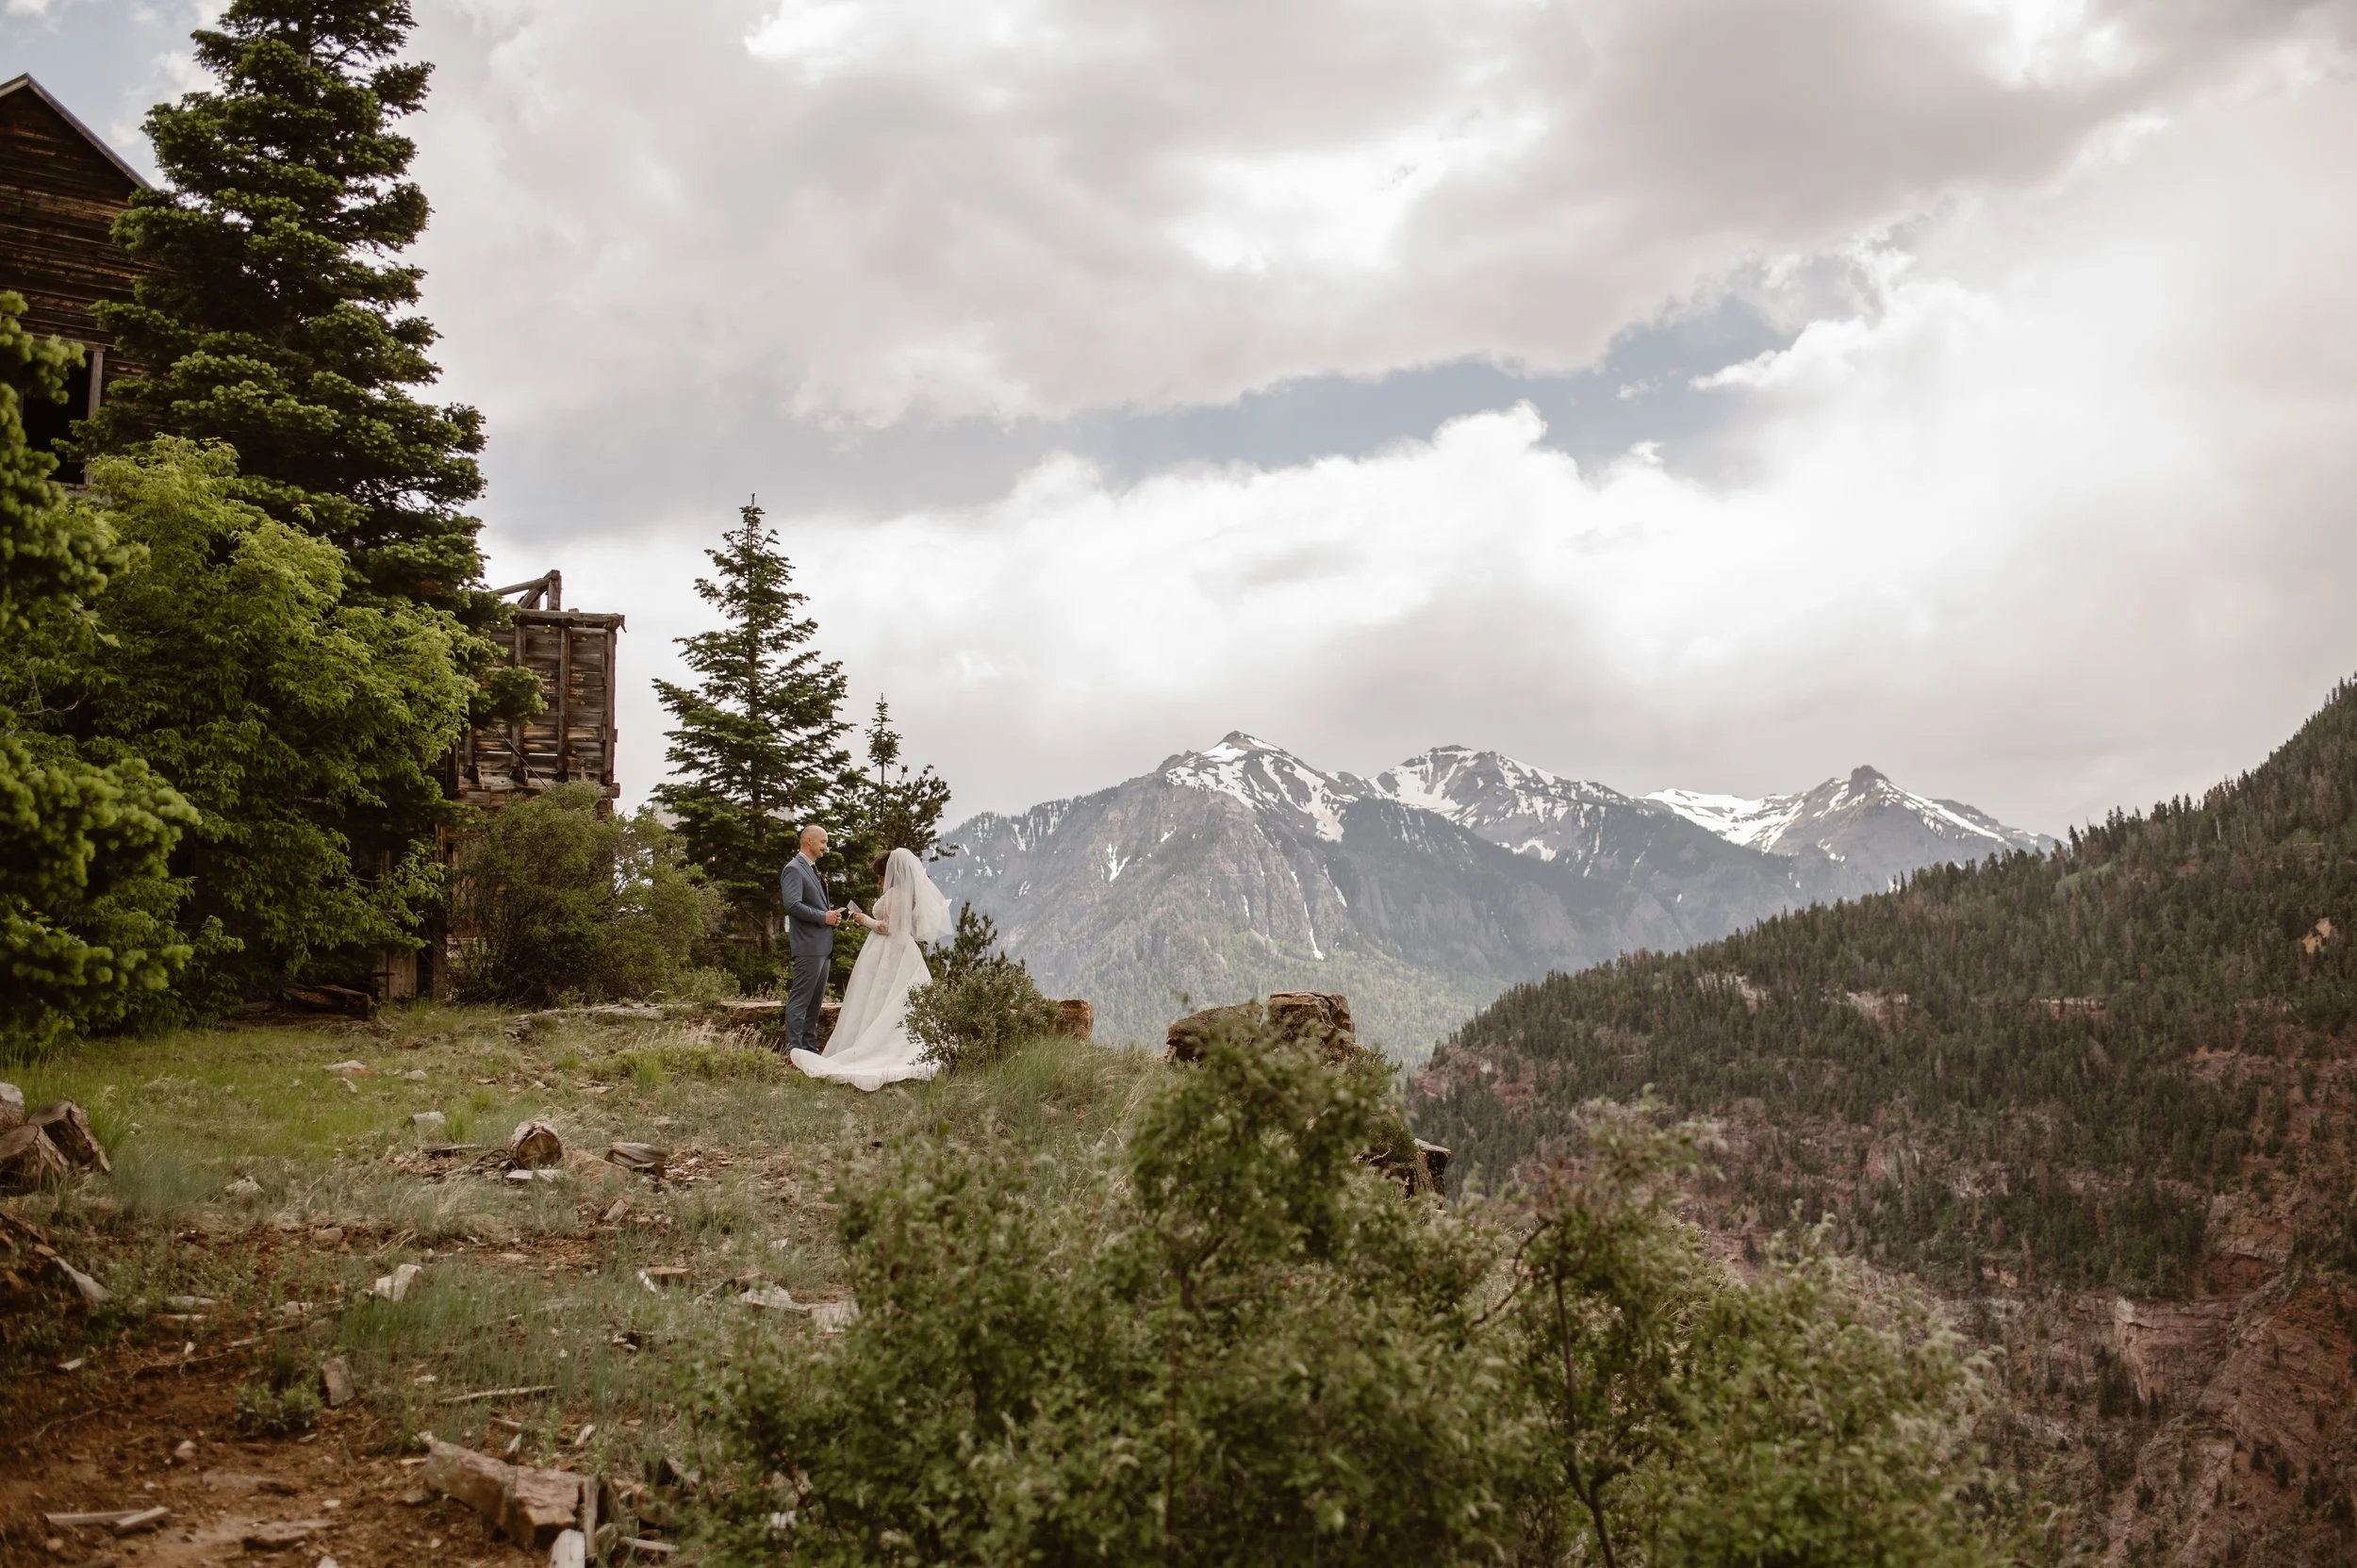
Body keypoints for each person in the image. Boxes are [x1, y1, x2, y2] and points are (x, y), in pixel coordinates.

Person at [791, 846, 953, 1091]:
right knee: (881, 999)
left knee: (885, 998)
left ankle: (876, 1047)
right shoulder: (902, 891)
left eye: (881, 875)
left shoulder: (898, 893)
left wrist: (863, 919)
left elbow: (889, 928)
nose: (880, 880)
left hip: (891, 951)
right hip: (890, 950)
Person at [780, 824, 842, 1057]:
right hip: (808, 946)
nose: (826, 846)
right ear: (808, 840)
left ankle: (809, 1051)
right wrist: (823, 917)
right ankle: (794, 1051)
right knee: (800, 1000)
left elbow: (814, 907)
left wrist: (830, 916)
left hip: (822, 946)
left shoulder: (812, 869)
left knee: (814, 1005)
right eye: (823, 841)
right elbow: (792, 905)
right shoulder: (793, 869)